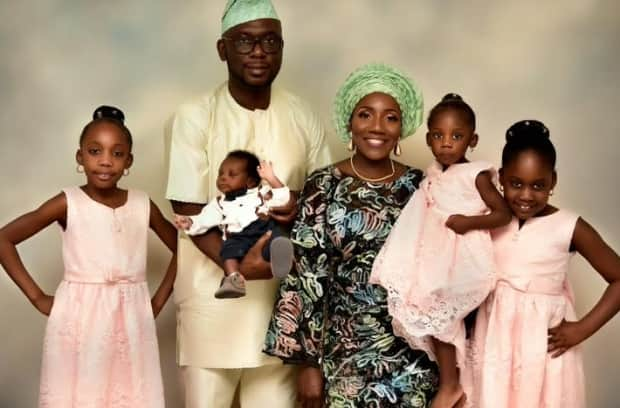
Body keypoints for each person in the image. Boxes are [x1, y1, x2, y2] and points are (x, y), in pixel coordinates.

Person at [164, 0, 331, 406]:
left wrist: (296, 209)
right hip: (212, 304)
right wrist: (236, 265)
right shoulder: (194, 115)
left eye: (270, 41)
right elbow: (187, 210)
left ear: (282, 48)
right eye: (245, 42)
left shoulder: (302, 114)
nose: (259, 52)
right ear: (223, 49)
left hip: (282, 307)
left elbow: (323, 200)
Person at [264, 63, 439, 408]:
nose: (377, 127)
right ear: (350, 122)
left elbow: (445, 269)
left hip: (415, 356)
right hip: (345, 356)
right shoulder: (323, 185)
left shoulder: (423, 187)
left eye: (390, 117)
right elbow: (304, 277)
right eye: (366, 115)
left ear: (401, 128)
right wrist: (308, 364)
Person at [0, 106, 177, 407]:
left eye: (117, 153)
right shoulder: (68, 202)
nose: (106, 161)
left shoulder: (142, 204)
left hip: (132, 317)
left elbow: (184, 248)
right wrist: (37, 297)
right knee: (80, 393)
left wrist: (158, 301)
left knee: (131, 392)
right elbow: (4, 239)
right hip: (80, 316)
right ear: (80, 157)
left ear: (129, 160)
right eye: (95, 151)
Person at [369, 94, 511, 408]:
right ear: (429, 138)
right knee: (426, 310)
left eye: (456, 137)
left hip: (462, 256)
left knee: (442, 316)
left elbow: (503, 214)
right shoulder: (433, 173)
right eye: (438, 136)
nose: (446, 143)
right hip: (434, 255)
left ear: (472, 140)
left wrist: (469, 222)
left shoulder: (476, 175)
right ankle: (454, 384)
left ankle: (450, 385)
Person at [466, 120, 620, 407]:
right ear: (500, 177)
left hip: (542, 353)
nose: (526, 195)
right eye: (516, 184)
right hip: (492, 346)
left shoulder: (569, 226)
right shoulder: (486, 218)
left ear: (554, 181)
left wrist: (581, 329)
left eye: (538, 185)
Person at [174, 150, 294, 298]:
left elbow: (283, 199)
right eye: (220, 174)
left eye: (232, 175)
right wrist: (190, 222)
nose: (223, 178)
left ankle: (282, 258)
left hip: (262, 227)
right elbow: (204, 219)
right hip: (238, 237)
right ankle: (234, 280)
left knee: (277, 234)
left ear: (250, 181)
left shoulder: (261, 193)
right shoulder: (219, 203)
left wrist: (271, 178)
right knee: (227, 252)